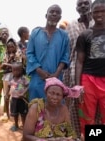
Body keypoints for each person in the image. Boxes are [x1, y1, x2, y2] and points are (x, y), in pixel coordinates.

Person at [62, 0, 93, 139]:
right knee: (75, 104)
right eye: (79, 4)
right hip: (74, 70)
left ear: (91, 4)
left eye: (86, 3)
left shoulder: (98, 22)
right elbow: (68, 50)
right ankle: (76, 135)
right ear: (76, 8)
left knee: (94, 106)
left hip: (96, 70)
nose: (83, 6)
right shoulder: (72, 26)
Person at [26, 4, 70, 101]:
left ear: (60, 18)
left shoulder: (64, 36)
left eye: (57, 12)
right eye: (52, 11)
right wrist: (39, 71)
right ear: (46, 15)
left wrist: (56, 74)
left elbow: (65, 56)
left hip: (56, 79)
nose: (54, 14)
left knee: (54, 109)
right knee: (36, 108)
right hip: (38, 78)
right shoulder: (35, 33)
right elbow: (30, 54)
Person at [75, 0, 105, 138]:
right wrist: (77, 85)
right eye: (96, 11)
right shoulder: (84, 35)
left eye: (102, 11)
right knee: (87, 117)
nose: (99, 14)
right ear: (91, 14)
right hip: (89, 79)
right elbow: (79, 61)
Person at [1, 38, 22, 122]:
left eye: (12, 47)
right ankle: (7, 114)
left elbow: (18, 66)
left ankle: (17, 114)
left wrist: (6, 64)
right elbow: (2, 66)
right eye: (9, 47)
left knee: (17, 94)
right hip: (6, 76)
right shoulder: (5, 54)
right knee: (6, 95)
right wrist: (9, 60)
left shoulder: (18, 53)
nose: (10, 49)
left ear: (15, 47)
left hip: (17, 77)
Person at [5, 62, 29, 132]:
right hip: (14, 99)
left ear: (21, 70)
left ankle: (24, 126)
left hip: (22, 99)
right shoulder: (12, 79)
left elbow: (28, 86)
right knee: (15, 113)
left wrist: (24, 93)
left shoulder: (23, 79)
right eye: (13, 70)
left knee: (23, 114)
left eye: (17, 70)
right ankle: (16, 125)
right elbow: (8, 87)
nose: (15, 72)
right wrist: (7, 94)